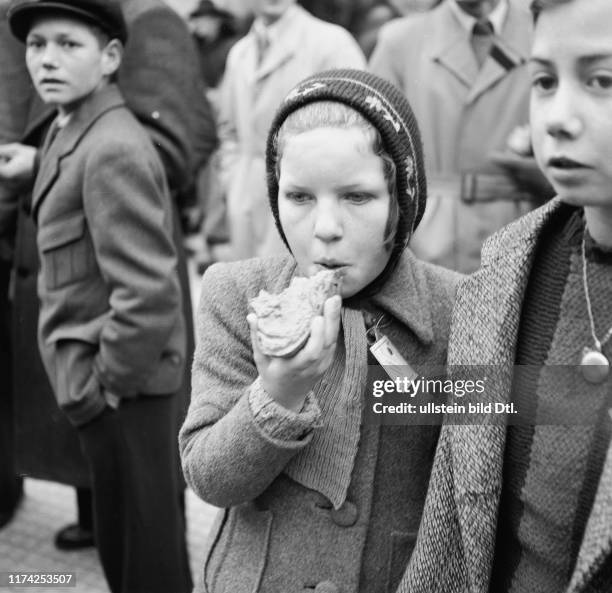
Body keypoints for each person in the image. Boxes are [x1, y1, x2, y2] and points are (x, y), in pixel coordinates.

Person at [180, 69, 462, 593]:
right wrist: (278, 394)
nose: (325, 227)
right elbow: (210, 479)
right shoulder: (238, 296)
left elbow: (480, 476)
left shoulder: (458, 309)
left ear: (402, 198)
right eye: (300, 197)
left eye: (357, 197)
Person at [398, 0, 612, 591]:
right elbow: (451, 512)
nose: (558, 117)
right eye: (543, 81)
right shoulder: (506, 280)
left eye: (602, 80)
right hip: (436, 242)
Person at [0, 0, 217, 550]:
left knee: (141, 467)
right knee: (87, 429)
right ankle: (98, 516)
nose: (47, 57)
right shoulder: (44, 17)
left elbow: (177, 143)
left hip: (116, 242)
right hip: (59, 249)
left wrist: (46, 158)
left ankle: (136, 533)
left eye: (66, 45)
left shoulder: (150, 18)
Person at [370, 0, 546, 273]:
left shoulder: (544, 28)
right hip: (428, 241)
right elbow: (374, 150)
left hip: (526, 229)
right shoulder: (401, 41)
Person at [216, 0, 365, 262]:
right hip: (246, 209)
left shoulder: (332, 44)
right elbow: (229, 132)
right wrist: (235, 182)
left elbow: (359, 134)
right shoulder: (240, 53)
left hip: (308, 208)